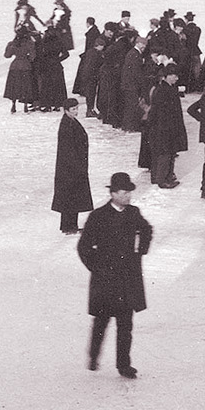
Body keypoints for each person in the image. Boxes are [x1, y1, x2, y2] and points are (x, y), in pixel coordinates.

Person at [78, 172, 153, 378]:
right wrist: (97, 267)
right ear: (113, 194)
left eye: (129, 192)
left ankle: (124, 364)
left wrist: (141, 250)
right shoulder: (98, 216)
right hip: (106, 281)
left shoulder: (133, 213)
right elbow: (83, 247)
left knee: (125, 325)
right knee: (101, 322)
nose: (128, 196)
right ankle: (94, 356)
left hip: (127, 279)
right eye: (123, 192)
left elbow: (147, 229)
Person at [53, 99, 93, 234]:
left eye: (76, 108)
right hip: (71, 167)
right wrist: (77, 167)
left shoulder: (70, 121)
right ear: (66, 110)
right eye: (73, 109)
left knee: (71, 196)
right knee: (70, 196)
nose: (76, 111)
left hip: (72, 166)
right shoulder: (67, 125)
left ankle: (71, 225)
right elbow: (69, 149)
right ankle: (69, 226)